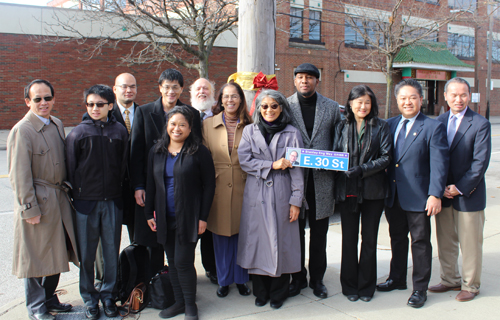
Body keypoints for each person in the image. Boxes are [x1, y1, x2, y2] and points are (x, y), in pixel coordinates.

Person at [8, 79, 79, 320]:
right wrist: (29, 208)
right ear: (28, 101)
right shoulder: (22, 130)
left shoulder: (57, 123)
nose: (43, 103)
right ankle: (36, 308)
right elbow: (19, 175)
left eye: (47, 98)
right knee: (36, 258)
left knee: (57, 252)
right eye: (37, 99)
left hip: (58, 199)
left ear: (54, 99)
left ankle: (50, 298)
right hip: (38, 201)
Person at [377, 79, 449, 308]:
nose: (407, 102)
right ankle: (396, 278)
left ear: (421, 99)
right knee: (397, 239)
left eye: (412, 97)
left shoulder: (432, 126)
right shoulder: (388, 124)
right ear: (396, 100)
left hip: (420, 197)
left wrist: (435, 194)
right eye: (403, 98)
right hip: (394, 194)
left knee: (420, 242)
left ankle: (420, 288)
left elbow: (439, 164)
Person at [145, 105, 215, 320]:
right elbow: (150, 184)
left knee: (184, 262)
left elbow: (209, 185)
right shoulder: (156, 151)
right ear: (167, 125)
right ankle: (179, 302)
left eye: (182, 125)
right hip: (164, 217)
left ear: (190, 127)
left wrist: (203, 217)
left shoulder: (199, 151)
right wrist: (149, 214)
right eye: (173, 124)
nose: (177, 128)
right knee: (173, 261)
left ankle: (190, 305)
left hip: (190, 216)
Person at [131, 69, 202, 281]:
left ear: (181, 89)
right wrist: (138, 186)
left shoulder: (192, 114)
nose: (171, 91)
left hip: (180, 185)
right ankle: (156, 285)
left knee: (178, 244)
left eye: (175, 87)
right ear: (159, 87)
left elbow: (196, 150)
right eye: (167, 86)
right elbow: (136, 153)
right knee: (153, 238)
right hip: (151, 185)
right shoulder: (143, 112)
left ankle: (180, 286)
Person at [237, 89, 304, 309]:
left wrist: (296, 201)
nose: (269, 110)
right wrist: (271, 165)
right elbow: (244, 161)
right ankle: (261, 292)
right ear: (258, 109)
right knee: (257, 243)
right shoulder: (249, 131)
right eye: (264, 106)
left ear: (282, 108)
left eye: (274, 106)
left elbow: (297, 169)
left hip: (283, 193)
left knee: (282, 242)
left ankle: (279, 293)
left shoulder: (292, 132)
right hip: (256, 194)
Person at [66, 84, 128, 319]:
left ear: (110, 106)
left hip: (112, 201)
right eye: (90, 104)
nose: (94, 108)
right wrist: (80, 195)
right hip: (85, 204)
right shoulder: (77, 134)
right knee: (87, 255)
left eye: (99, 104)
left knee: (111, 253)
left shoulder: (119, 132)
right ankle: (90, 299)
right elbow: (71, 170)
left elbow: (123, 166)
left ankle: (108, 296)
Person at [430, 77, 491, 302]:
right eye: (453, 95)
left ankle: (470, 285)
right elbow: (435, 157)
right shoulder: (439, 121)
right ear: (445, 96)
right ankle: (449, 279)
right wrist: (439, 188)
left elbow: (480, 164)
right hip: (443, 195)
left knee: (470, 243)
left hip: (468, 194)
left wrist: (459, 188)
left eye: (463, 95)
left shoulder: (480, 123)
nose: (458, 99)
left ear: (469, 96)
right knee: (445, 241)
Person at [333, 85, 392, 302]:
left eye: (367, 102)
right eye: (358, 101)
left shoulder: (381, 126)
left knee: (369, 240)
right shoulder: (341, 126)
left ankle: (366, 286)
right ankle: (349, 286)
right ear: (350, 103)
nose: (363, 106)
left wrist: (362, 170)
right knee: (348, 240)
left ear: (372, 104)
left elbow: (386, 157)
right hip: (347, 190)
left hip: (373, 192)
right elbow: (333, 154)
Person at [287, 63, 341, 298]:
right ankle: (297, 277)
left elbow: (339, 141)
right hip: (294, 181)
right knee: (295, 232)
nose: (304, 81)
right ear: (295, 81)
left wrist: (332, 159)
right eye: (300, 77)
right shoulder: (285, 106)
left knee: (319, 233)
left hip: (321, 180)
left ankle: (317, 279)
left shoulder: (330, 107)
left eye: (309, 77)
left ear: (317, 81)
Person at [203, 82, 253, 298]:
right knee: (221, 237)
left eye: (235, 96)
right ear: (220, 100)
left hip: (245, 185)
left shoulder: (251, 125)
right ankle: (224, 280)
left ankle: (241, 279)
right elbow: (203, 159)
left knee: (242, 235)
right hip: (218, 186)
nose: (230, 100)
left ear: (241, 99)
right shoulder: (207, 125)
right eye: (226, 96)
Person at [93, 72, 139, 291]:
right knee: (107, 241)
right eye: (123, 87)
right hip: (110, 190)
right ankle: (106, 283)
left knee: (138, 238)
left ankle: (136, 280)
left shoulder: (144, 113)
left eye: (132, 86)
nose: (128, 90)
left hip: (138, 190)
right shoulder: (103, 115)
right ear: (115, 89)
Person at [190, 77, 218, 285]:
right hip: (190, 183)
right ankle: (187, 273)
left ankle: (212, 268)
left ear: (213, 95)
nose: (202, 91)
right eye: (198, 88)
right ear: (191, 94)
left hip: (214, 182)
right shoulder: (185, 116)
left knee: (210, 229)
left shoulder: (220, 117)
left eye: (206, 89)